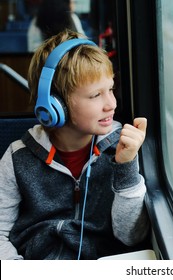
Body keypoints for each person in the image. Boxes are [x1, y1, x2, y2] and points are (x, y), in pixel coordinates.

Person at [0, 30, 149, 260]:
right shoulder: (17, 157)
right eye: (95, 95)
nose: (111, 104)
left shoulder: (120, 148)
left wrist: (126, 167)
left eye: (110, 89)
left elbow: (130, 236)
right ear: (55, 105)